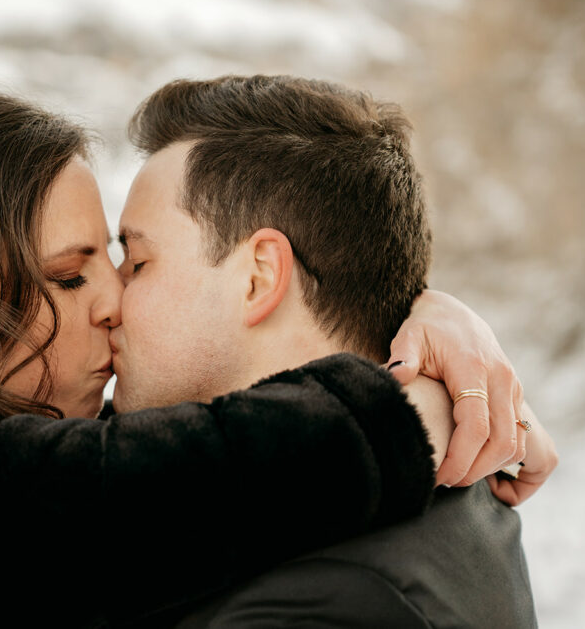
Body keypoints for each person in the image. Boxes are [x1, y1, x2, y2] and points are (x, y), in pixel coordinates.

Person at [0, 81, 539, 626]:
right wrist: (410, 404)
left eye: (126, 260)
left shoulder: (21, 485)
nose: (113, 301)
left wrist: (425, 315)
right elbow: (164, 482)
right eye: (67, 275)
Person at [109, 74, 559, 626]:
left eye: (137, 262)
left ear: (257, 277)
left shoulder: (330, 601)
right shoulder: (333, 513)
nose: (110, 296)